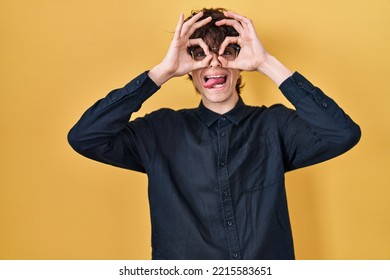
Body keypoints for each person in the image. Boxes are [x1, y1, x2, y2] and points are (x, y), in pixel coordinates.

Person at [68, 8, 361, 260]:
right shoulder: (158, 131)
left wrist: (265, 63)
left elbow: (342, 134)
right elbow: (85, 137)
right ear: (188, 67)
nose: (214, 62)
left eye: (227, 51)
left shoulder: (276, 125)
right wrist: (161, 72)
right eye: (198, 53)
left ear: (240, 61)